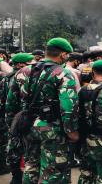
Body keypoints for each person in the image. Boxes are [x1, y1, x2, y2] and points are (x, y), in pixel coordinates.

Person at [21, 38, 78, 183]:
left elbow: (12, 102)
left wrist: (14, 125)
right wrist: (71, 131)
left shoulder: (25, 71)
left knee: (31, 165)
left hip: (28, 124)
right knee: (53, 170)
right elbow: (68, 106)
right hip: (52, 127)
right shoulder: (63, 73)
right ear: (63, 55)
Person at [4, 53, 34, 184]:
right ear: (20, 64)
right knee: (25, 150)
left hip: (14, 118)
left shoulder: (5, 76)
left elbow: (8, 102)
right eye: (30, 62)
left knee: (14, 149)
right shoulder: (23, 76)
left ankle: (16, 177)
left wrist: (10, 122)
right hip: (22, 118)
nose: (33, 64)